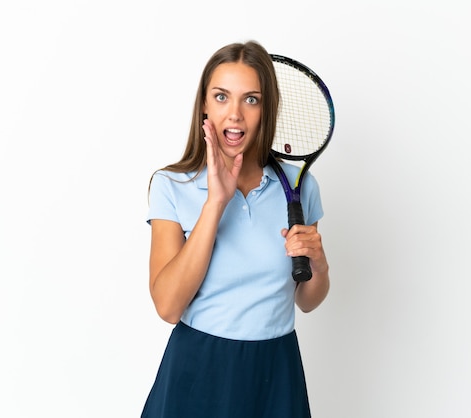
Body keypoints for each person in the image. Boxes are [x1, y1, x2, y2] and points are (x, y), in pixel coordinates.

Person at [141, 40, 330, 418]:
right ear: (205, 106)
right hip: (199, 370)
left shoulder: (298, 186)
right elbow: (168, 306)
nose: (235, 114)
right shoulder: (171, 185)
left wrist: (319, 263)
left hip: (276, 371)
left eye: (251, 100)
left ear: (266, 109)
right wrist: (215, 203)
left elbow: (308, 300)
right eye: (222, 97)